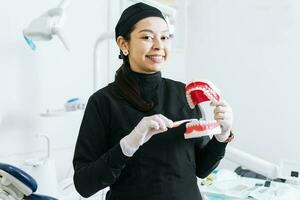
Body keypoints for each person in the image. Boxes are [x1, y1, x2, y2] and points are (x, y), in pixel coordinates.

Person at [73, 2, 234, 200]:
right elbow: (83, 184)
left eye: (165, 37)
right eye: (147, 37)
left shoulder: (183, 93)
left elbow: (201, 168)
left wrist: (222, 136)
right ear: (124, 44)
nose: (159, 45)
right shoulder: (103, 102)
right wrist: (127, 145)